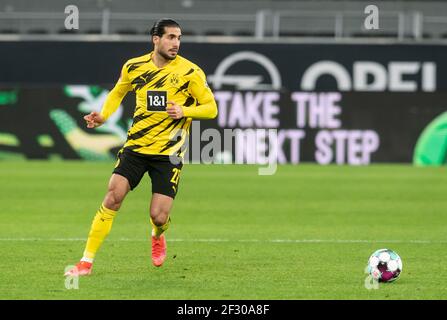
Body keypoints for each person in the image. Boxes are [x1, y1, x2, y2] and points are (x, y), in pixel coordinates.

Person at [65, 18, 218, 276]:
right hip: (136, 148)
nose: (176, 43)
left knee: (159, 216)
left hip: (168, 155)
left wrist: (185, 110)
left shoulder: (190, 72)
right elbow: (117, 92)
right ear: (155, 39)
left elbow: (211, 108)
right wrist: (103, 115)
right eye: (170, 37)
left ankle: (157, 234)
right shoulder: (134, 66)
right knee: (113, 197)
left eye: (179, 38)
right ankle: (85, 263)